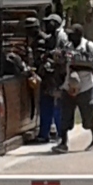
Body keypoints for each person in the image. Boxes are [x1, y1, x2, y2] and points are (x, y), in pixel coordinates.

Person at [54, 25, 93, 154]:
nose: (69, 37)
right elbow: (60, 64)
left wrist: (79, 67)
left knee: (88, 116)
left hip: (85, 87)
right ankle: (63, 143)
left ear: (79, 35)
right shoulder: (67, 47)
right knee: (65, 116)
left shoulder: (88, 46)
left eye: (72, 34)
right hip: (68, 86)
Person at [33, 14, 65, 144]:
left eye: (49, 23)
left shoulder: (62, 38)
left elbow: (63, 57)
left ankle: (62, 134)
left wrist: (51, 58)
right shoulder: (50, 38)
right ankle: (44, 134)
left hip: (57, 79)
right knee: (46, 106)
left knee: (57, 107)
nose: (47, 26)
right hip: (48, 79)